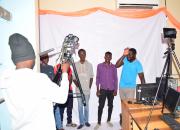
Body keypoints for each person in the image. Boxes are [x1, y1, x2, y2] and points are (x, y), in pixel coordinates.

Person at [0, 33, 69, 130]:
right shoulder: (40, 79)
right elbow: (62, 98)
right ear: (32, 58)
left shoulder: (5, 79)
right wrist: (65, 72)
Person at [115, 47, 145, 125]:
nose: (128, 56)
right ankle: (124, 123)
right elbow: (116, 65)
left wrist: (144, 91)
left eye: (130, 55)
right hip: (122, 86)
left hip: (131, 88)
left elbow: (142, 78)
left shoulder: (138, 64)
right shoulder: (125, 60)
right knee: (123, 105)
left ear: (135, 55)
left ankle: (129, 124)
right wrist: (123, 55)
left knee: (129, 106)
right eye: (128, 54)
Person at [94, 51, 118, 130]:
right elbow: (97, 78)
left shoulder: (114, 67)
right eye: (106, 56)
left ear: (111, 58)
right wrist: (97, 89)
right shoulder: (99, 66)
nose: (108, 58)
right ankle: (98, 122)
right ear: (104, 57)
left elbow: (116, 79)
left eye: (109, 56)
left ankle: (108, 120)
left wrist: (115, 89)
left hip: (111, 90)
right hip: (103, 89)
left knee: (110, 105)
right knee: (101, 106)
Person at [73, 49, 94, 129]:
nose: (82, 55)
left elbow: (91, 77)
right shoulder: (75, 65)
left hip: (86, 90)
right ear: (78, 55)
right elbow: (74, 78)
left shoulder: (89, 65)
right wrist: (77, 85)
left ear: (85, 54)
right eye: (81, 54)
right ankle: (81, 122)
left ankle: (86, 121)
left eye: (83, 54)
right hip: (79, 90)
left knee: (86, 107)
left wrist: (89, 86)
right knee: (80, 107)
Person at [53, 64, 77, 130]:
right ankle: (60, 124)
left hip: (69, 89)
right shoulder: (57, 67)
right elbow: (56, 78)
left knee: (70, 107)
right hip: (61, 90)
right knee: (61, 108)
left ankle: (69, 122)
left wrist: (68, 87)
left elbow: (71, 77)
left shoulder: (68, 67)